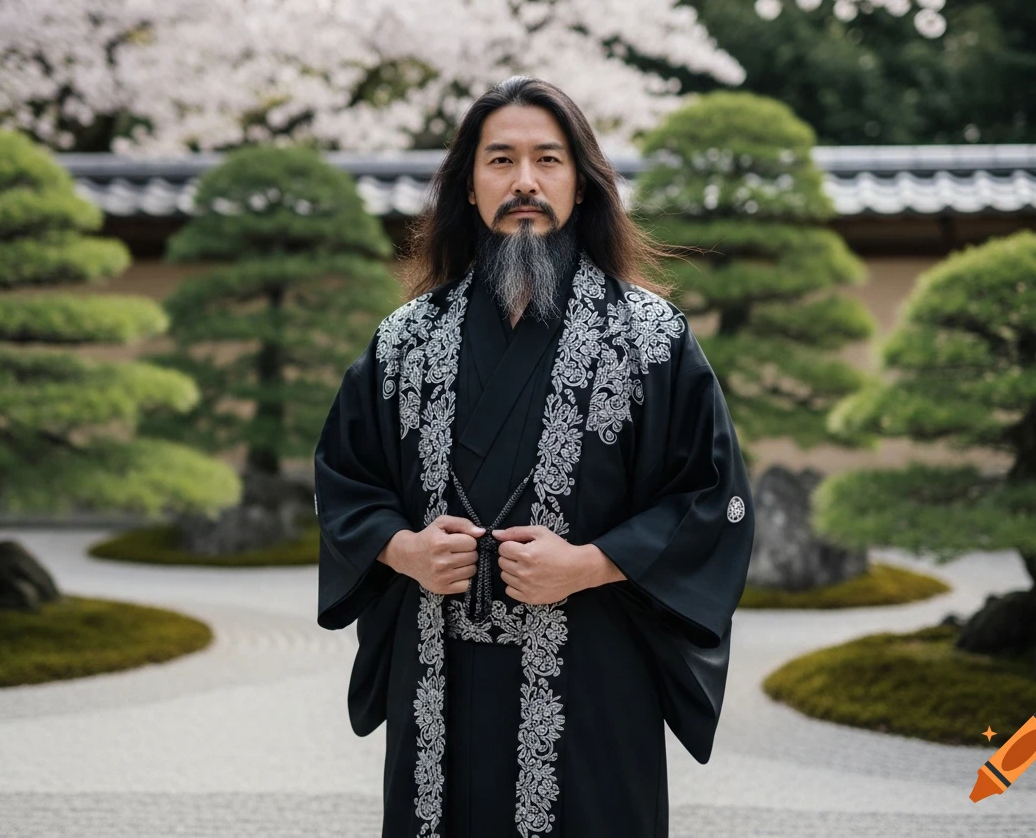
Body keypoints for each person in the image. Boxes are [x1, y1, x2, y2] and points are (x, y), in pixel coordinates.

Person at [314, 75, 755, 838]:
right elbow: (344, 478)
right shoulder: (404, 339)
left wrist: (590, 564)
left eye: (548, 160)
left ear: (583, 186)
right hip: (436, 672)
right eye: (501, 161)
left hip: (592, 675)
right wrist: (403, 549)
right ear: (470, 187)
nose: (525, 182)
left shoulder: (652, 338)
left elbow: (712, 499)